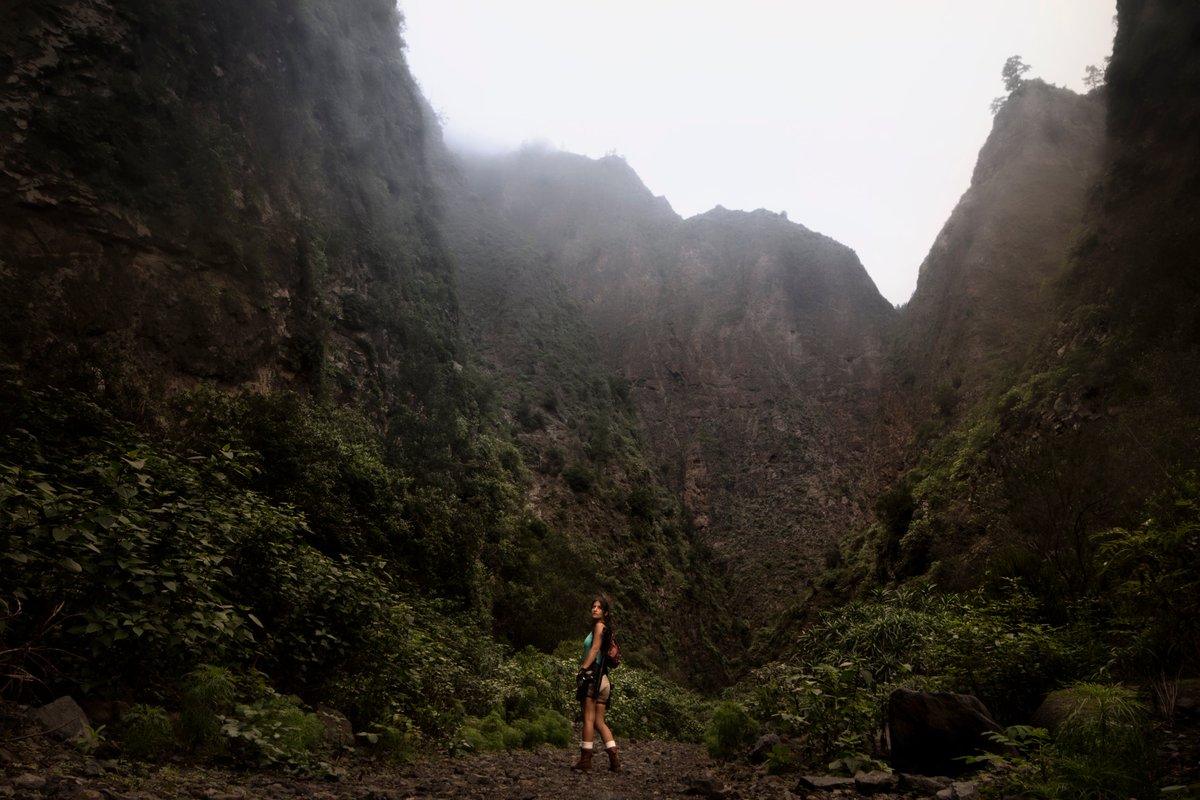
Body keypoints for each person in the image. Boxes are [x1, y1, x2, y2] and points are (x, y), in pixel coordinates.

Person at [571, 596, 619, 773]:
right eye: (593, 606)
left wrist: (582, 670)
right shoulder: (607, 629)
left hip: (593, 677)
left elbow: (595, 649)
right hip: (604, 680)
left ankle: (585, 761)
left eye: (599, 607)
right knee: (600, 721)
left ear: (605, 613)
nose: (595, 609)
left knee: (588, 720)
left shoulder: (599, 627)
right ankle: (615, 760)